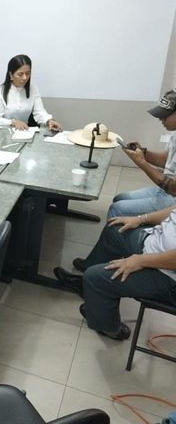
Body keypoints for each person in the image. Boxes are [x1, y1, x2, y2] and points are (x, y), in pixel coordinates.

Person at [53, 205, 176, 341]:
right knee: (114, 229)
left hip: (168, 275)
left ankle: (111, 329)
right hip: (154, 243)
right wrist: (140, 219)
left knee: (95, 277)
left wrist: (140, 261)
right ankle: (88, 290)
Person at [106, 89, 176, 218]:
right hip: (165, 191)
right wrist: (143, 152)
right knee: (119, 198)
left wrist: (141, 162)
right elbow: (166, 160)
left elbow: (173, 188)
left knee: (117, 209)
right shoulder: (175, 133)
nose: (160, 119)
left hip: (173, 198)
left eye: (165, 116)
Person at [0, 54, 62, 131]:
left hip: (23, 132)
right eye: (20, 74)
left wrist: (49, 120)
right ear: (11, 75)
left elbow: (39, 111)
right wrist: (13, 122)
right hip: (3, 132)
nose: (25, 78)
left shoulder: (33, 89)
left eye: (27, 73)